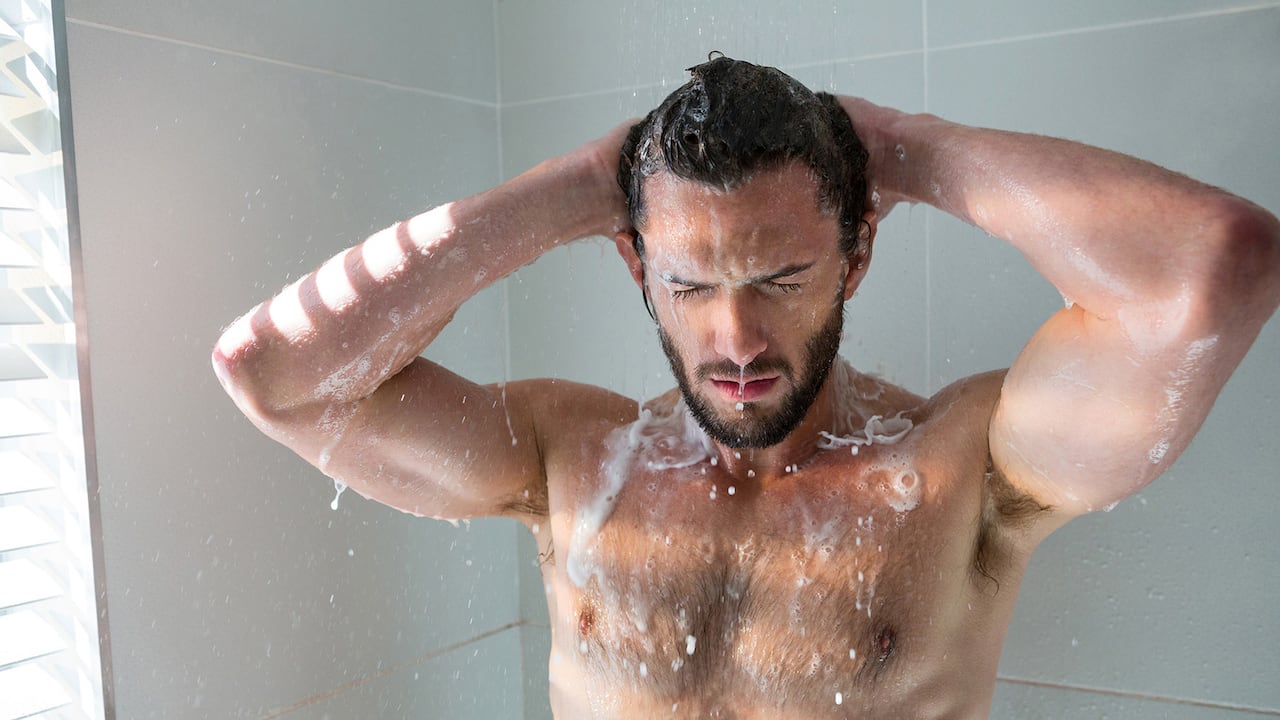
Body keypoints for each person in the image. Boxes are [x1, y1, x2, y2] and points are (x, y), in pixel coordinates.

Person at [212, 56, 1280, 718]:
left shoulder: (965, 467)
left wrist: (903, 150)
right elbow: (279, 376)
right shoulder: (569, 457)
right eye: (687, 282)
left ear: (853, 259)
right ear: (634, 264)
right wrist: (581, 188)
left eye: (778, 278)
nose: (733, 337)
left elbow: (1211, 272)